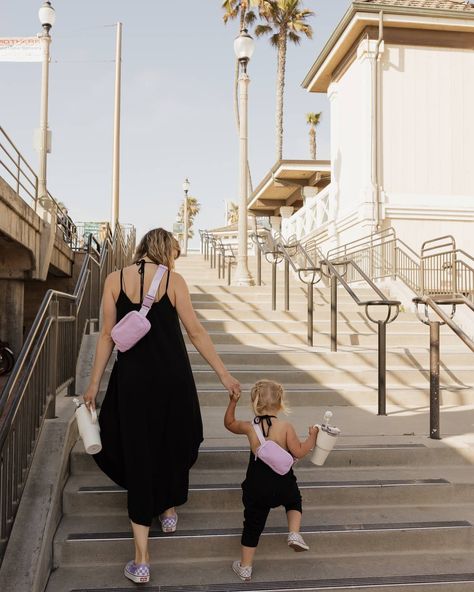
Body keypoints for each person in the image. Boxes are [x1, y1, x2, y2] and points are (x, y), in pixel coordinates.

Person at [82, 227, 241, 584]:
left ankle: (141, 560)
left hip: (132, 382)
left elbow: (107, 336)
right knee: (173, 439)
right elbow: (196, 332)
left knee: (137, 453)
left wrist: (94, 384)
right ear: (165, 250)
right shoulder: (174, 281)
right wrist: (225, 376)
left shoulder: (112, 279)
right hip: (172, 379)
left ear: (141, 248)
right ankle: (167, 508)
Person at [224, 379, 318, 582]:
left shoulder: (250, 427)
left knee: (253, 525)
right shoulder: (285, 427)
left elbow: (229, 423)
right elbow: (300, 452)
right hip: (283, 483)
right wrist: (313, 436)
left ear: (255, 403)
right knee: (294, 501)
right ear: (281, 403)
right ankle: (294, 533)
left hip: (257, 486)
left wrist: (232, 402)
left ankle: (245, 567)